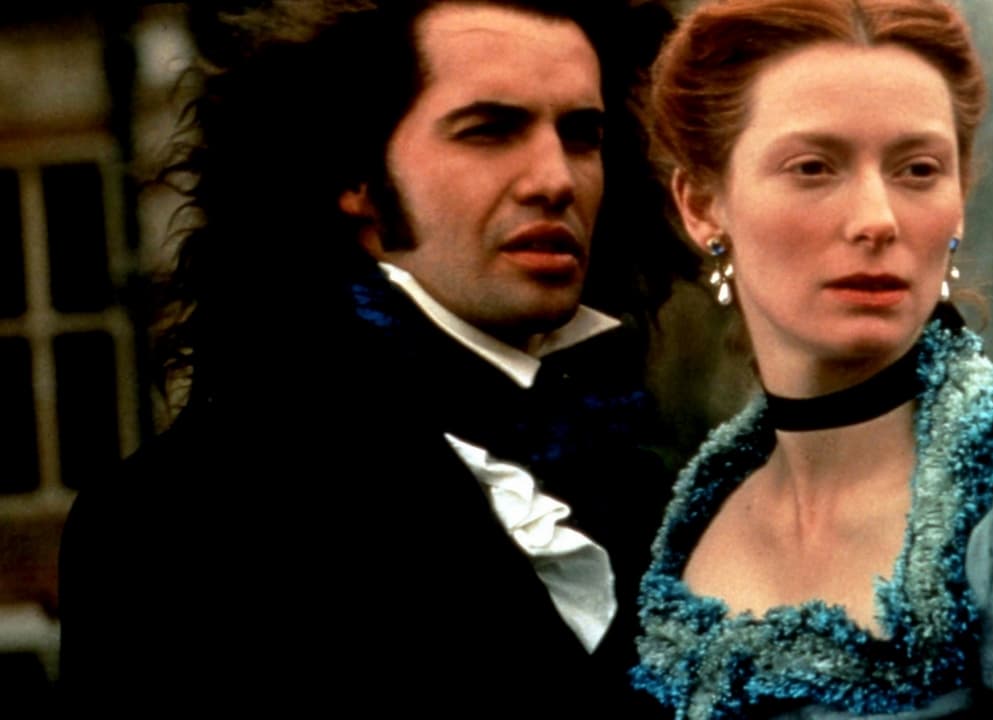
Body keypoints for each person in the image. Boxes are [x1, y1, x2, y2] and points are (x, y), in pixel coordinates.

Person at [58, 0, 675, 714]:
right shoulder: (182, 517)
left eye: (582, 135)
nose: (555, 179)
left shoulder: (655, 490)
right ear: (356, 177)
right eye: (489, 131)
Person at [631, 0, 993, 717]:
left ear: (960, 201)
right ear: (702, 205)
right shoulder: (680, 527)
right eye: (813, 167)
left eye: (918, 169)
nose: (877, 220)